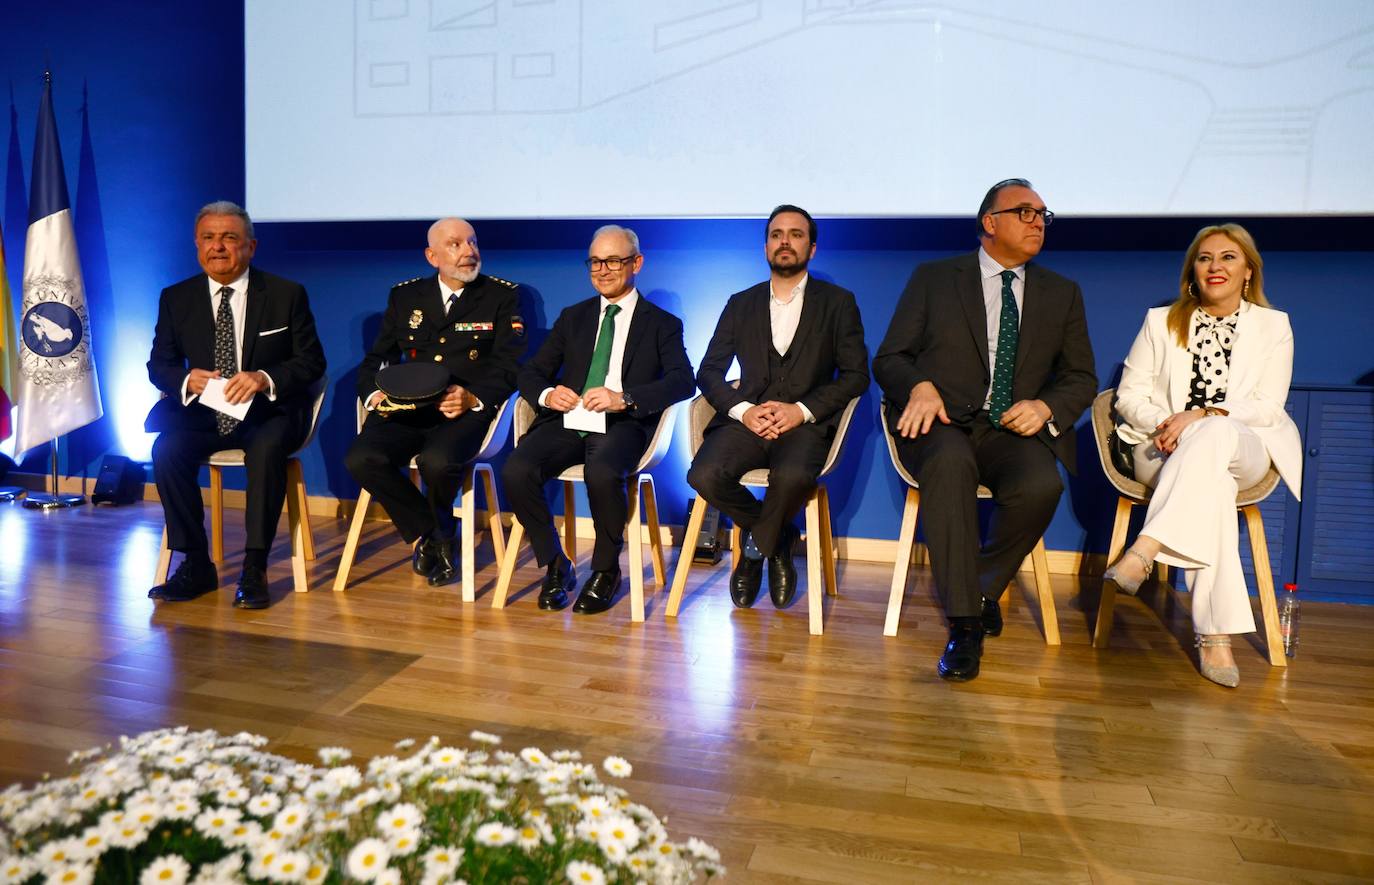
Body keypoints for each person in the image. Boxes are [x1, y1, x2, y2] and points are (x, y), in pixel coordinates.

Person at [873, 179, 1097, 681]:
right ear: (989, 223)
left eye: (1043, 213)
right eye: (1024, 212)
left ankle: (979, 587)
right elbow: (889, 358)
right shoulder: (934, 279)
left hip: (1010, 430)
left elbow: (1081, 376)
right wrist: (920, 386)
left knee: (1043, 484)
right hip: (942, 422)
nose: (1038, 221)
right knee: (950, 463)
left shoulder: (1062, 294)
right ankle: (966, 623)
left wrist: (1045, 406)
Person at [1104, 223, 1301, 687]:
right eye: (1205, 257)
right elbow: (1128, 396)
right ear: (1192, 270)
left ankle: (1145, 547)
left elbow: (1268, 406)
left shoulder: (1274, 327)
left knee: (1214, 434)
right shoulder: (1160, 321)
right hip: (1164, 446)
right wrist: (1167, 423)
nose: (1216, 266)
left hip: (1245, 444)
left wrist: (1204, 414)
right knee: (1212, 489)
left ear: (1248, 271)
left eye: (1228, 257)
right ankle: (1215, 638)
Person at [502, 225, 694, 615]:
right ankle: (556, 564)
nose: (602, 270)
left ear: (636, 263)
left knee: (603, 472)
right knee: (517, 469)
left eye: (612, 261)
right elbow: (531, 372)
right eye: (594, 261)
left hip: (621, 422)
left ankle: (606, 570)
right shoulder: (573, 317)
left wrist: (624, 398)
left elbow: (682, 380)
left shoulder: (661, 323)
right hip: (569, 419)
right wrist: (547, 394)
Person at [146, 201, 326, 609]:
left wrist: (264, 378)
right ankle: (195, 562)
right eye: (209, 238)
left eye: (229, 238)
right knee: (167, 450)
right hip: (206, 412)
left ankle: (254, 566)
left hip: (267, 412)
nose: (218, 247)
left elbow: (311, 362)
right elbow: (160, 365)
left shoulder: (285, 294)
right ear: (197, 245)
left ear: (251, 247)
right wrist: (185, 380)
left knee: (265, 451)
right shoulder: (176, 298)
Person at [687, 205, 870, 608]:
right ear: (766, 246)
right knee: (703, 474)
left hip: (804, 425)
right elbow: (709, 371)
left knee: (790, 479)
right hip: (746, 422)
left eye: (796, 234)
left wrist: (801, 411)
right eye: (776, 234)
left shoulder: (838, 303)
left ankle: (753, 552)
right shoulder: (740, 302)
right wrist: (743, 411)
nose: (784, 241)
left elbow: (857, 375)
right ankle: (778, 537)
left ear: (812, 247)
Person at [344, 218, 527, 587]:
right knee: (361, 459)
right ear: (432, 256)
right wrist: (374, 394)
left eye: (473, 242)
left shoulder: (501, 296)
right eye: (456, 244)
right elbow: (377, 359)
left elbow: (511, 364)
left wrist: (474, 396)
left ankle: (436, 537)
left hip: (461, 411)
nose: (469, 252)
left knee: (437, 462)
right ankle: (437, 533)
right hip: (407, 409)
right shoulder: (406, 296)